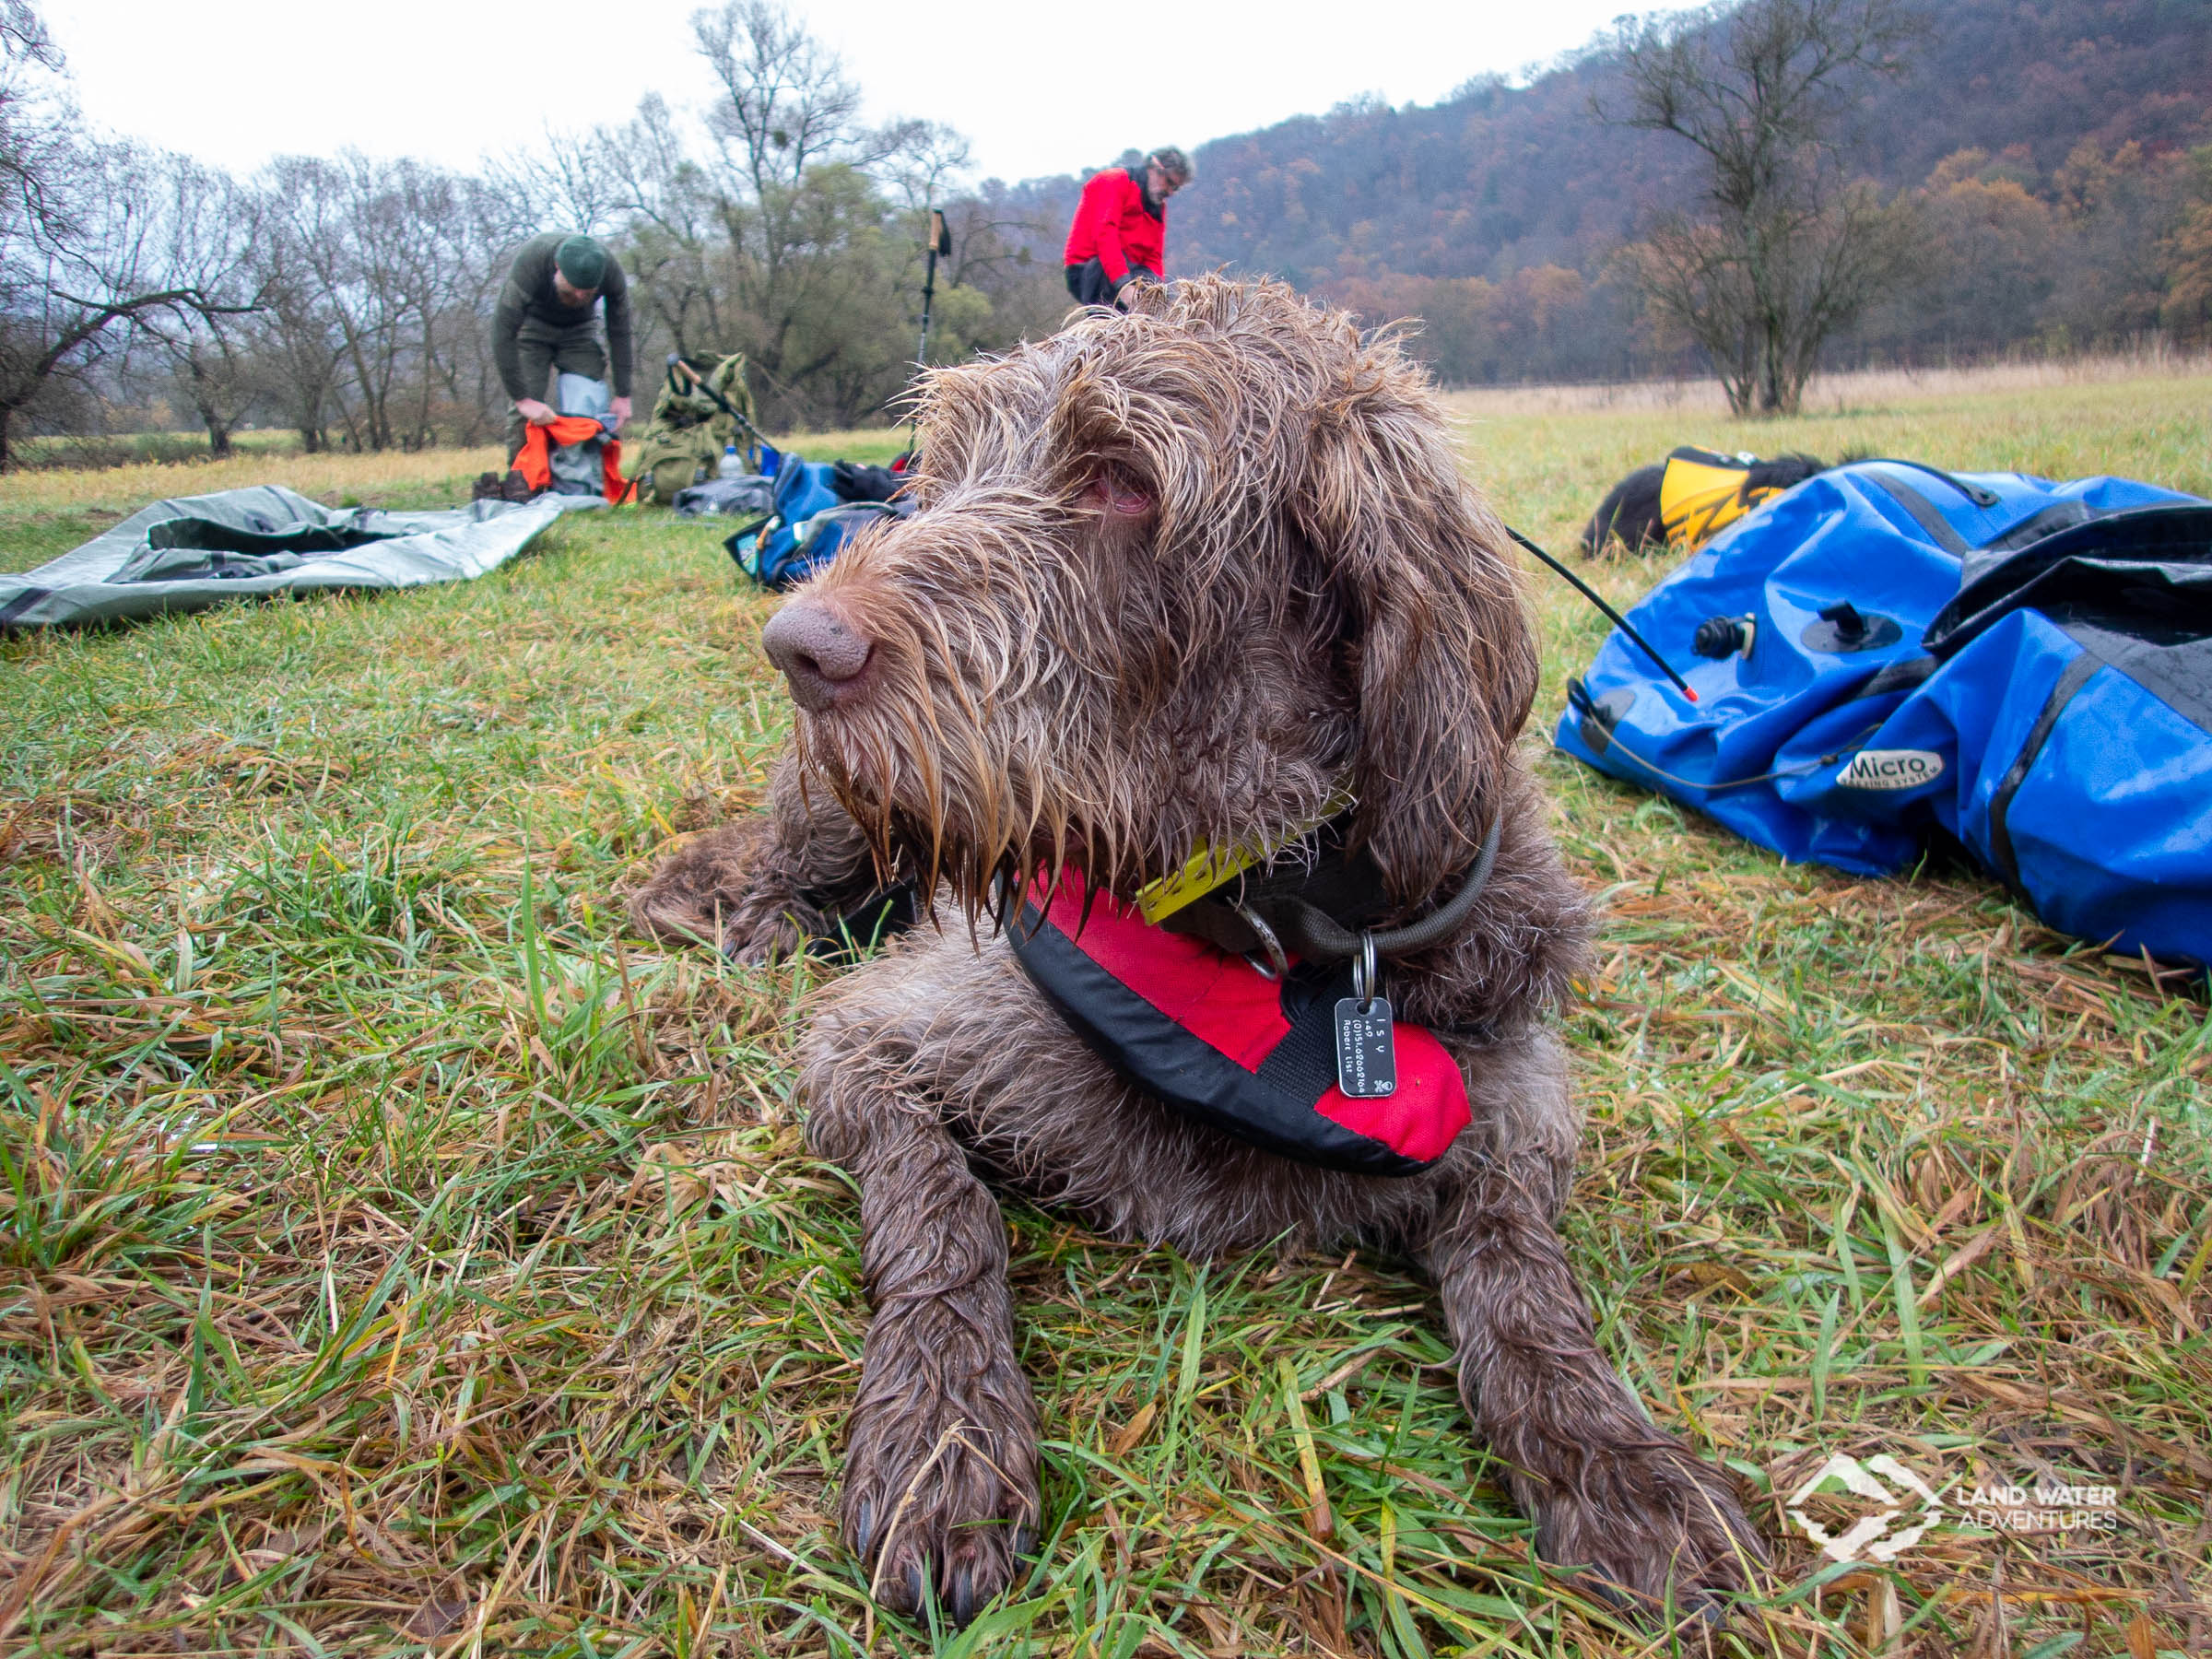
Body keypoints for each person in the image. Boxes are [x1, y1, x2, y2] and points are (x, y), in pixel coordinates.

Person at [493, 232, 634, 464]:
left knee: (589, 397)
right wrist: (522, 399)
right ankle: (522, 482)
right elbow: (502, 332)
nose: (580, 295)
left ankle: (582, 480)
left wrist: (623, 394)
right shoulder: (532, 261)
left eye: (588, 291)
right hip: (533, 330)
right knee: (527, 407)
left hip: (579, 332)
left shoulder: (610, 270)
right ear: (557, 267)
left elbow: (620, 329)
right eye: (574, 287)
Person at [1063, 147, 1192, 311]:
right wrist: (1124, 286)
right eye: (1169, 183)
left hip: (1131, 271)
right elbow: (1105, 237)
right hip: (1090, 269)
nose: (1171, 192)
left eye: (1176, 188)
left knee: (1159, 299)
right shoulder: (1114, 181)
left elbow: (1153, 257)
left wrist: (1157, 293)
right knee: (1119, 308)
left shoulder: (1158, 207)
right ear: (1155, 168)